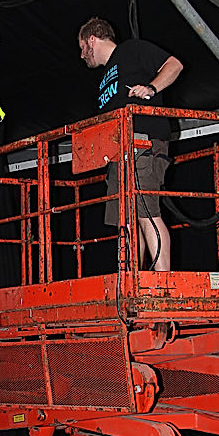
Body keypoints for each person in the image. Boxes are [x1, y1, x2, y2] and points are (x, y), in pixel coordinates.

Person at [78, 17, 183, 271]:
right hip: (118, 153)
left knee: (147, 213)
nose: (82, 55)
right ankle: (130, 279)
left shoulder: (131, 50)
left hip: (142, 144)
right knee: (126, 221)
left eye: (82, 47)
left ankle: (162, 286)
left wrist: (151, 88)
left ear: (92, 39)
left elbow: (174, 65)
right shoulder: (106, 78)